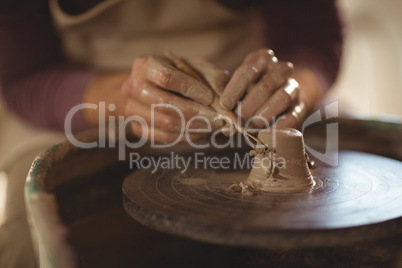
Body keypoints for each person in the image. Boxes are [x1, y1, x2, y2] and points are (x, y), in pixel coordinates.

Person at [0, 0, 342, 266]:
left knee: (337, 226)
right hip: (82, 103)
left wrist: (293, 88)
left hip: (248, 99)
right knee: (29, 237)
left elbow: (315, 37)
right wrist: (122, 94)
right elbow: (23, 76)